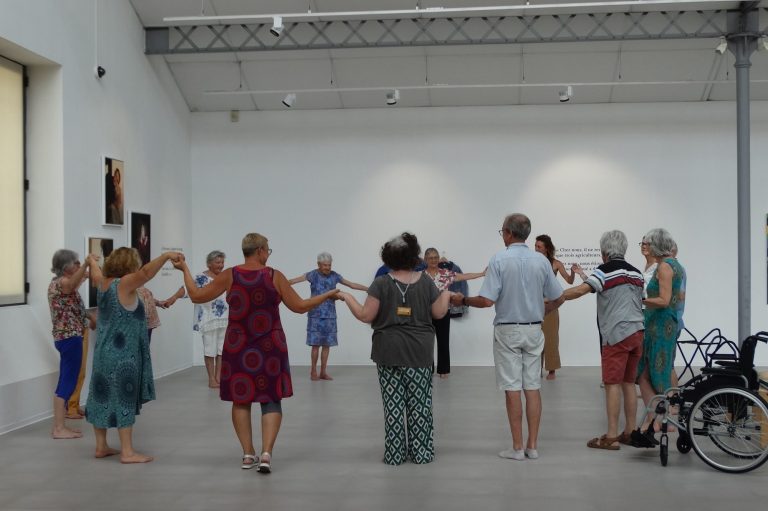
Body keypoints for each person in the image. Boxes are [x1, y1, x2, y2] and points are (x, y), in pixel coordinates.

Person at [173, 233, 339, 472]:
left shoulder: (230, 274)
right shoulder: (274, 276)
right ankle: (266, 454)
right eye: (268, 250)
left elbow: (197, 296)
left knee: (241, 400)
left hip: (238, 345)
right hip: (270, 346)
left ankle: (248, 454)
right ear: (261, 250)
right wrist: (329, 293)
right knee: (271, 399)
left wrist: (184, 269)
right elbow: (300, 307)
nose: (267, 254)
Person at [451, 214, 563, 461]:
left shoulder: (499, 260)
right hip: (534, 328)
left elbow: (487, 300)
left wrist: (463, 300)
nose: (502, 235)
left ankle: (517, 447)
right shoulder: (542, 261)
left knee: (512, 387)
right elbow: (559, 296)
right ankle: (533, 446)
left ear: (509, 233)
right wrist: (543, 310)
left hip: (507, 330)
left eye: (502, 231)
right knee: (533, 386)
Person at [338, 233, 453, 465]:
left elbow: (365, 315)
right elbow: (439, 313)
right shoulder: (425, 282)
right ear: (413, 255)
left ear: (388, 256)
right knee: (420, 405)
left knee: (393, 406)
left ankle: (395, 454)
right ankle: (421, 454)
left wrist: (346, 297)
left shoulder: (380, 283)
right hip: (419, 352)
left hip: (387, 351)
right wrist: (448, 294)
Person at [86, 247, 183, 463]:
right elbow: (147, 273)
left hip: (103, 351)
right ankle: (127, 452)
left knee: (101, 396)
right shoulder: (124, 284)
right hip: (123, 355)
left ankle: (101, 446)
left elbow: (94, 272)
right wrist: (166, 256)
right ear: (129, 265)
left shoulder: (102, 283)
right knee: (124, 398)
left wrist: (91, 261)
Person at [560, 231, 645, 450]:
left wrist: (554, 297)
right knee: (628, 383)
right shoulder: (636, 273)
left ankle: (611, 436)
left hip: (617, 335)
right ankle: (629, 431)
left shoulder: (605, 270)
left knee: (612, 384)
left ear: (604, 252)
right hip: (637, 332)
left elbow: (581, 290)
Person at [632, 228, 685, 447]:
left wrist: (640, 300)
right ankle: (651, 421)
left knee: (653, 374)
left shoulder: (664, 267)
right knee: (646, 372)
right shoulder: (675, 265)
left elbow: (663, 299)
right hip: (661, 324)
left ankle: (654, 421)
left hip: (659, 326)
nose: (647, 246)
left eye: (649, 243)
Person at [288, 252, 368, 381]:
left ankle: (323, 372)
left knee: (327, 345)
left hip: (330, 315)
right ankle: (313, 371)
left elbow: (351, 284)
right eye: (325, 265)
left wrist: (368, 289)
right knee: (315, 345)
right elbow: (293, 281)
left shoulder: (335, 275)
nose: (327, 268)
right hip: (315, 315)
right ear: (318, 264)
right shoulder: (312, 275)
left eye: (329, 265)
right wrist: (279, 285)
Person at [48, 249, 95, 439]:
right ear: (66, 267)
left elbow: (74, 306)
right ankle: (59, 428)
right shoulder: (61, 283)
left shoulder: (65, 283)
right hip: (68, 338)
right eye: (74, 263)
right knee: (67, 381)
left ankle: (61, 426)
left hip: (70, 337)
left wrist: (89, 317)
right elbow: (73, 282)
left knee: (67, 380)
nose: (77, 266)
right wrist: (86, 264)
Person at [422, 247, 485, 378]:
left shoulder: (446, 273)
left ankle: (443, 370)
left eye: (435, 257)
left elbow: (464, 276)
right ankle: (427, 369)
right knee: (425, 342)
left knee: (443, 340)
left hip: (444, 310)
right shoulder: (420, 276)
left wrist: (481, 274)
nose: (433, 260)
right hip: (425, 312)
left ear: (439, 258)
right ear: (425, 259)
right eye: (430, 258)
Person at [534, 235, 575, 380]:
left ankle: (551, 370)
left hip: (551, 306)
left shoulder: (556, 263)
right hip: (534, 306)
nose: (536, 249)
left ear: (547, 248)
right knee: (534, 338)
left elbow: (569, 281)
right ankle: (535, 369)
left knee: (551, 338)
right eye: (535, 246)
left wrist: (573, 272)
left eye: (539, 247)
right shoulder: (532, 262)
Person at [192, 250, 229, 388]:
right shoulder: (201, 277)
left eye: (222, 262)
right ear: (209, 264)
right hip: (208, 319)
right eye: (218, 262)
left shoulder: (226, 276)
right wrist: (173, 298)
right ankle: (211, 379)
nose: (221, 265)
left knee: (221, 349)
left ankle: (219, 377)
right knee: (209, 348)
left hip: (224, 317)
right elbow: (186, 289)